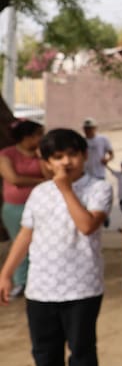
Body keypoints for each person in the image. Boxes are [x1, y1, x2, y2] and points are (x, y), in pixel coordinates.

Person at [0, 128, 113, 366]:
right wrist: (7, 272)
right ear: (46, 161)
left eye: (72, 154)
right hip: (41, 286)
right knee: (44, 348)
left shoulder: (98, 188)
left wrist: (65, 189)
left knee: (81, 344)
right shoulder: (39, 193)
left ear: (84, 155)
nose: (66, 162)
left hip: (82, 285)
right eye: (58, 157)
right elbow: (26, 233)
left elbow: (87, 225)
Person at [0, 119, 47, 297]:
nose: (42, 137)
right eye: (38, 134)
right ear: (27, 137)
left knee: (41, 244)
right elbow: (13, 179)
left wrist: (42, 156)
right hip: (15, 208)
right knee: (19, 244)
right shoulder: (6, 155)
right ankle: (21, 282)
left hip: (42, 207)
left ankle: (39, 280)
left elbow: (50, 174)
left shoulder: (42, 154)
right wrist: (41, 182)